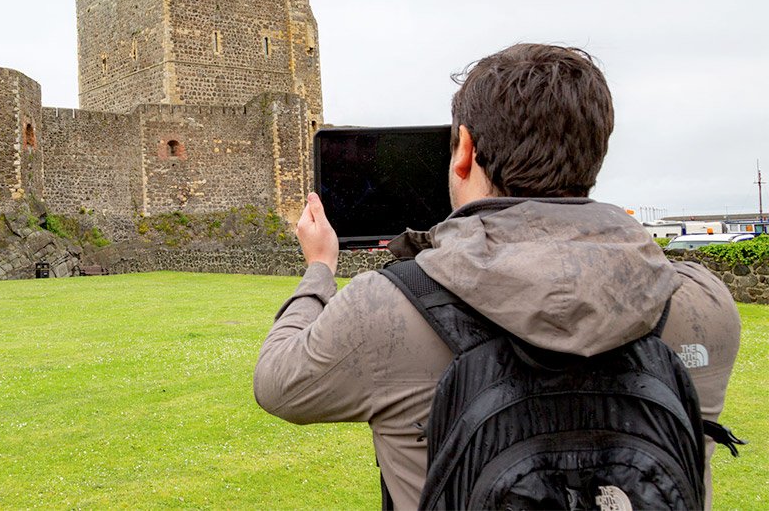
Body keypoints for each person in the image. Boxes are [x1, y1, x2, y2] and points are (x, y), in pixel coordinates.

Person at [253, 43, 741, 509]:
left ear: (464, 149)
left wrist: (319, 267)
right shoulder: (702, 305)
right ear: (594, 150)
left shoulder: (386, 310)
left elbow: (278, 383)